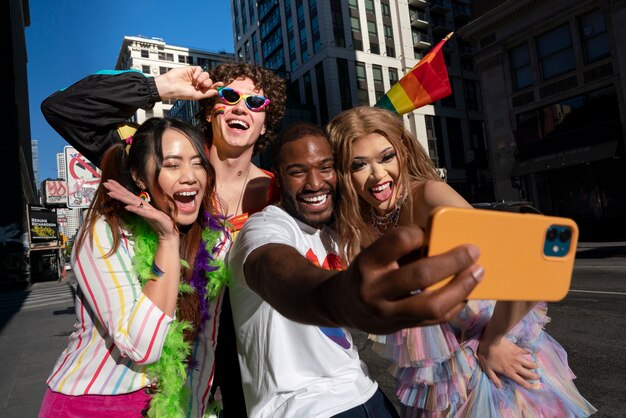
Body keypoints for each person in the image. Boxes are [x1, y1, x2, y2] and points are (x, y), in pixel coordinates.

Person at [41, 64, 287, 416]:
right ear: (208, 109)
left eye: (255, 101)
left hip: (252, 366)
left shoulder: (281, 194)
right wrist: (159, 86)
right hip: (158, 373)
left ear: (267, 119)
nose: (239, 107)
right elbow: (64, 110)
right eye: (228, 96)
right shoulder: (161, 176)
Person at [326, 106, 597, 417]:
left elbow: (529, 269)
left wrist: (493, 342)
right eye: (359, 164)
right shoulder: (359, 223)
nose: (377, 175)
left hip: (494, 355)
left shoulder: (430, 197)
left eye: (386, 157)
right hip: (436, 375)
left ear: (403, 151)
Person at [227, 121, 485, 417]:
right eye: (297, 172)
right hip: (303, 408)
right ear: (278, 178)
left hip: (368, 393)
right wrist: (341, 298)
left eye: (325, 168)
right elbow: (275, 272)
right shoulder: (263, 228)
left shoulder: (338, 237)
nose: (314, 183)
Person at [39, 118, 229, 417]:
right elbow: (142, 347)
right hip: (94, 405)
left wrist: (196, 406)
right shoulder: (106, 234)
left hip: (175, 402)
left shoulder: (212, 240)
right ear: (140, 177)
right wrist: (167, 241)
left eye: (198, 163)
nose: (190, 176)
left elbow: (205, 340)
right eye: (172, 165)